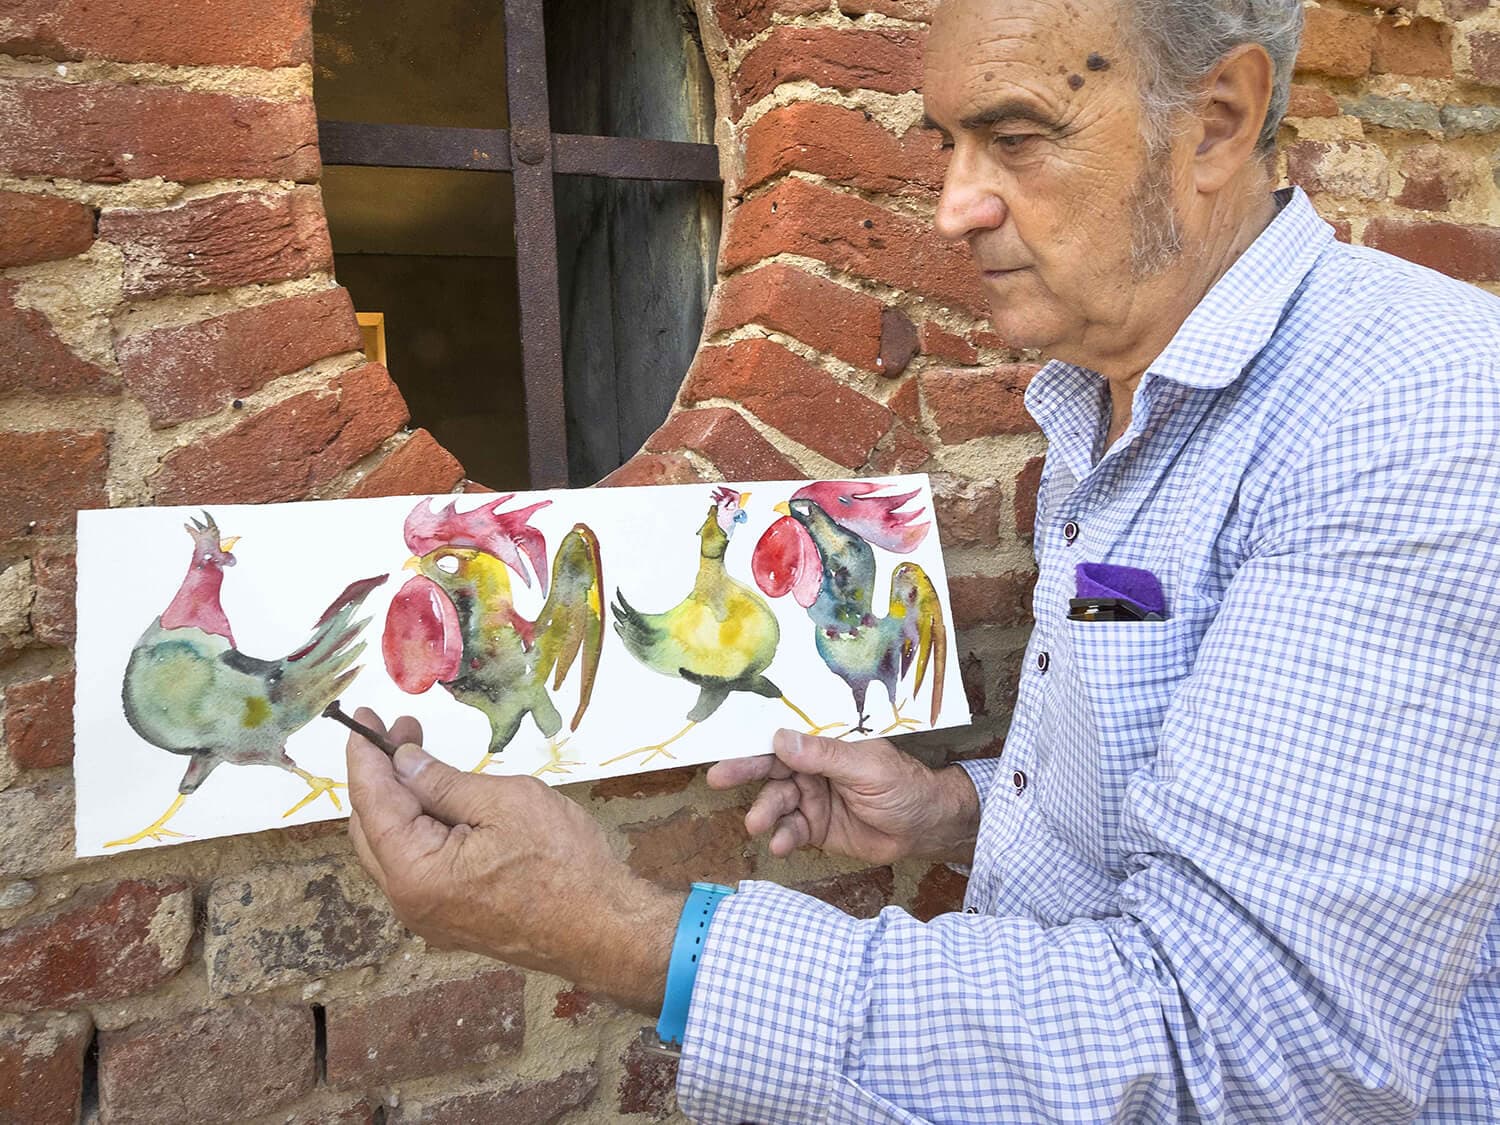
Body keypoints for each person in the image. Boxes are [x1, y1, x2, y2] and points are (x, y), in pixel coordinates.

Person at [343, 0, 1500, 1119]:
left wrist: (622, 932)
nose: (953, 205)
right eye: (949, 142)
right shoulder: (1115, 405)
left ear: (1217, 119)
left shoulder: (1403, 419)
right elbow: (1176, 741)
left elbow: (1242, 1057)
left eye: (1014, 138)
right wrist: (953, 812)